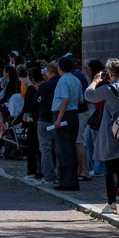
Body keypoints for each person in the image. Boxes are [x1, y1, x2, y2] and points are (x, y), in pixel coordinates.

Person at [86, 58, 119, 215]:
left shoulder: (109, 89)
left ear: (109, 73)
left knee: (112, 169)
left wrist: (95, 81)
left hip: (113, 133)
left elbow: (89, 95)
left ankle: (111, 205)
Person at [51, 55, 84, 191]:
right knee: (71, 147)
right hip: (74, 115)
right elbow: (81, 100)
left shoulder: (63, 80)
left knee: (63, 149)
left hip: (63, 115)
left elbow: (64, 99)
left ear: (60, 68)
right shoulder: (76, 80)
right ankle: (72, 179)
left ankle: (66, 181)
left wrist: (59, 118)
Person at [36, 61, 60, 185]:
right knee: (59, 148)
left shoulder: (44, 86)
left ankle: (49, 175)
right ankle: (60, 174)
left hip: (45, 119)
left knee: (45, 149)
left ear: (50, 71)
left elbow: (37, 100)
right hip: (59, 119)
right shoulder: (62, 84)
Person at [20, 64, 42, 181]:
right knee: (42, 148)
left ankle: (32, 171)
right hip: (42, 120)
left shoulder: (31, 89)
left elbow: (27, 107)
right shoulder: (43, 87)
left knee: (32, 148)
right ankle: (41, 171)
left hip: (32, 122)